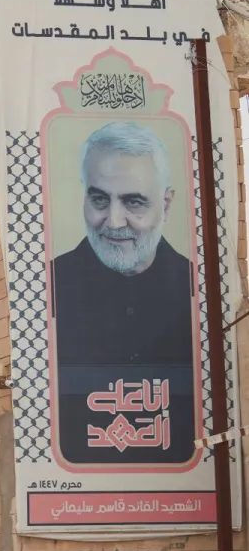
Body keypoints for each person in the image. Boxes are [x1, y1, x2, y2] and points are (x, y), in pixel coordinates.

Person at [51, 120, 195, 465]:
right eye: (100, 200)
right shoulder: (49, 286)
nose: (114, 221)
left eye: (133, 202)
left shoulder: (195, 287)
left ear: (167, 203)